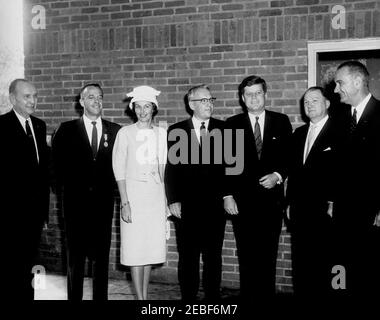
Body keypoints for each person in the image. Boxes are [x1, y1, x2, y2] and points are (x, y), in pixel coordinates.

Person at [224, 75, 292, 300]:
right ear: (242, 98)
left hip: (271, 203)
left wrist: (277, 175)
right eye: (249, 94)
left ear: (266, 95)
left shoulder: (281, 122)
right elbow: (225, 164)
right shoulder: (231, 124)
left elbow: (289, 159)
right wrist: (227, 195)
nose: (254, 98)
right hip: (242, 204)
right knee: (247, 257)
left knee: (268, 256)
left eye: (258, 93)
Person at [52, 83, 121, 300]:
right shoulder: (66, 130)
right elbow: (55, 168)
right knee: (76, 259)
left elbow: (120, 167)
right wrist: (69, 189)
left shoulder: (116, 130)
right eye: (91, 97)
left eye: (100, 97)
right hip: (75, 206)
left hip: (103, 204)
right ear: (81, 102)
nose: (97, 101)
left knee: (101, 259)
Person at [165, 84, 226, 301]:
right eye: (204, 100)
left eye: (211, 100)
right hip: (187, 208)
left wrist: (227, 196)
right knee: (188, 258)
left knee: (213, 258)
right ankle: (188, 300)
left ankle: (212, 300)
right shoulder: (176, 131)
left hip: (215, 207)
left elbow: (231, 169)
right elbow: (171, 169)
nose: (209, 104)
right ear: (191, 104)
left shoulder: (224, 129)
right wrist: (173, 200)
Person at [112, 85, 168, 300]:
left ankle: (143, 298)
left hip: (155, 197)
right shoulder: (125, 133)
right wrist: (125, 202)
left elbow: (164, 168)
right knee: (136, 252)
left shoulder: (162, 134)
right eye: (138, 107)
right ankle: (141, 300)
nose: (143, 111)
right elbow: (119, 170)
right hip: (133, 197)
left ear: (154, 109)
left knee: (149, 252)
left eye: (147, 107)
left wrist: (165, 201)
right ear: (133, 109)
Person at [333, 60, 380, 296]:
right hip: (343, 214)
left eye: (339, 83)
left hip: (372, 215)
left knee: (369, 274)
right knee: (342, 271)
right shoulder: (340, 119)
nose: (335, 89)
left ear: (358, 81)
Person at [0, 79, 50, 300]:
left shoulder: (39, 126)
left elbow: (43, 173)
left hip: (35, 213)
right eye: (27, 96)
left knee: (32, 265)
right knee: (11, 269)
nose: (33, 101)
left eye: (35, 96)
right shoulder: (1, 126)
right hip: (10, 214)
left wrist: (44, 212)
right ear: (13, 99)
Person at [286, 87, 337, 296]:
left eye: (315, 100)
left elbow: (344, 172)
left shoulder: (341, 131)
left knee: (328, 264)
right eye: (306, 102)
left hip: (327, 211)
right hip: (300, 212)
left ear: (327, 104)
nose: (309, 105)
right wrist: (289, 203)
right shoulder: (298, 134)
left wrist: (335, 202)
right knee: (301, 264)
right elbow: (294, 173)